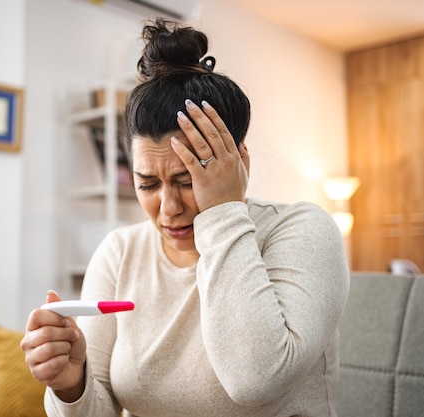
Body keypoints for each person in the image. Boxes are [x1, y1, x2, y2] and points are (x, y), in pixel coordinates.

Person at [21, 18, 350, 417]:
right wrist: (72, 385)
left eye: (188, 180)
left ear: (236, 161)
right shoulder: (121, 252)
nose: (168, 207)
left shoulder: (302, 231)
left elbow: (254, 380)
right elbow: (100, 407)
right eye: (147, 184)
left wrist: (224, 210)